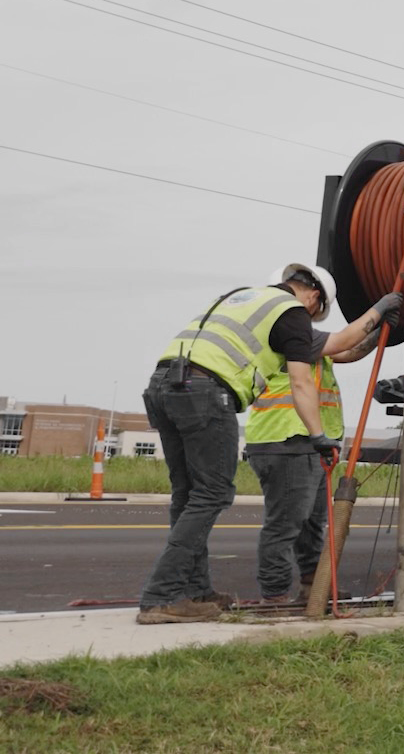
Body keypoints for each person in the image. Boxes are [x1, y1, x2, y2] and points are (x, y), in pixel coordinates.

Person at [138, 264, 339, 624]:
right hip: (205, 391)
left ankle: (197, 593)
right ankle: (162, 596)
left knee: (187, 496)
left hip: (163, 384)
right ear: (313, 297)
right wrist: (317, 435)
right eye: (316, 311)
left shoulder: (243, 297)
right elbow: (300, 382)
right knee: (212, 494)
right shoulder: (292, 312)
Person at [245, 281, 399, 605]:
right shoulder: (289, 330)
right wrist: (380, 309)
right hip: (285, 438)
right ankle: (273, 597)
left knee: (312, 522)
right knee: (286, 523)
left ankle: (312, 588)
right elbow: (345, 339)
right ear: (313, 297)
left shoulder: (309, 342)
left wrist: (381, 332)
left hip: (309, 443)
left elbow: (350, 349)